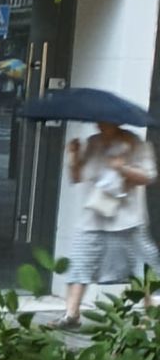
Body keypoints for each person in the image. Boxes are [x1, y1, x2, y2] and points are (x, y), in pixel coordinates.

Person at [55, 121, 160, 329]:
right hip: (94, 215)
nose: (99, 126)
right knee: (80, 261)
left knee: (143, 265)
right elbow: (77, 177)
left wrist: (122, 168)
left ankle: (151, 315)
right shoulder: (93, 142)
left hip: (127, 218)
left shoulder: (135, 143)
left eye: (104, 122)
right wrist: (74, 157)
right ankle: (71, 314)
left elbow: (149, 176)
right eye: (98, 122)